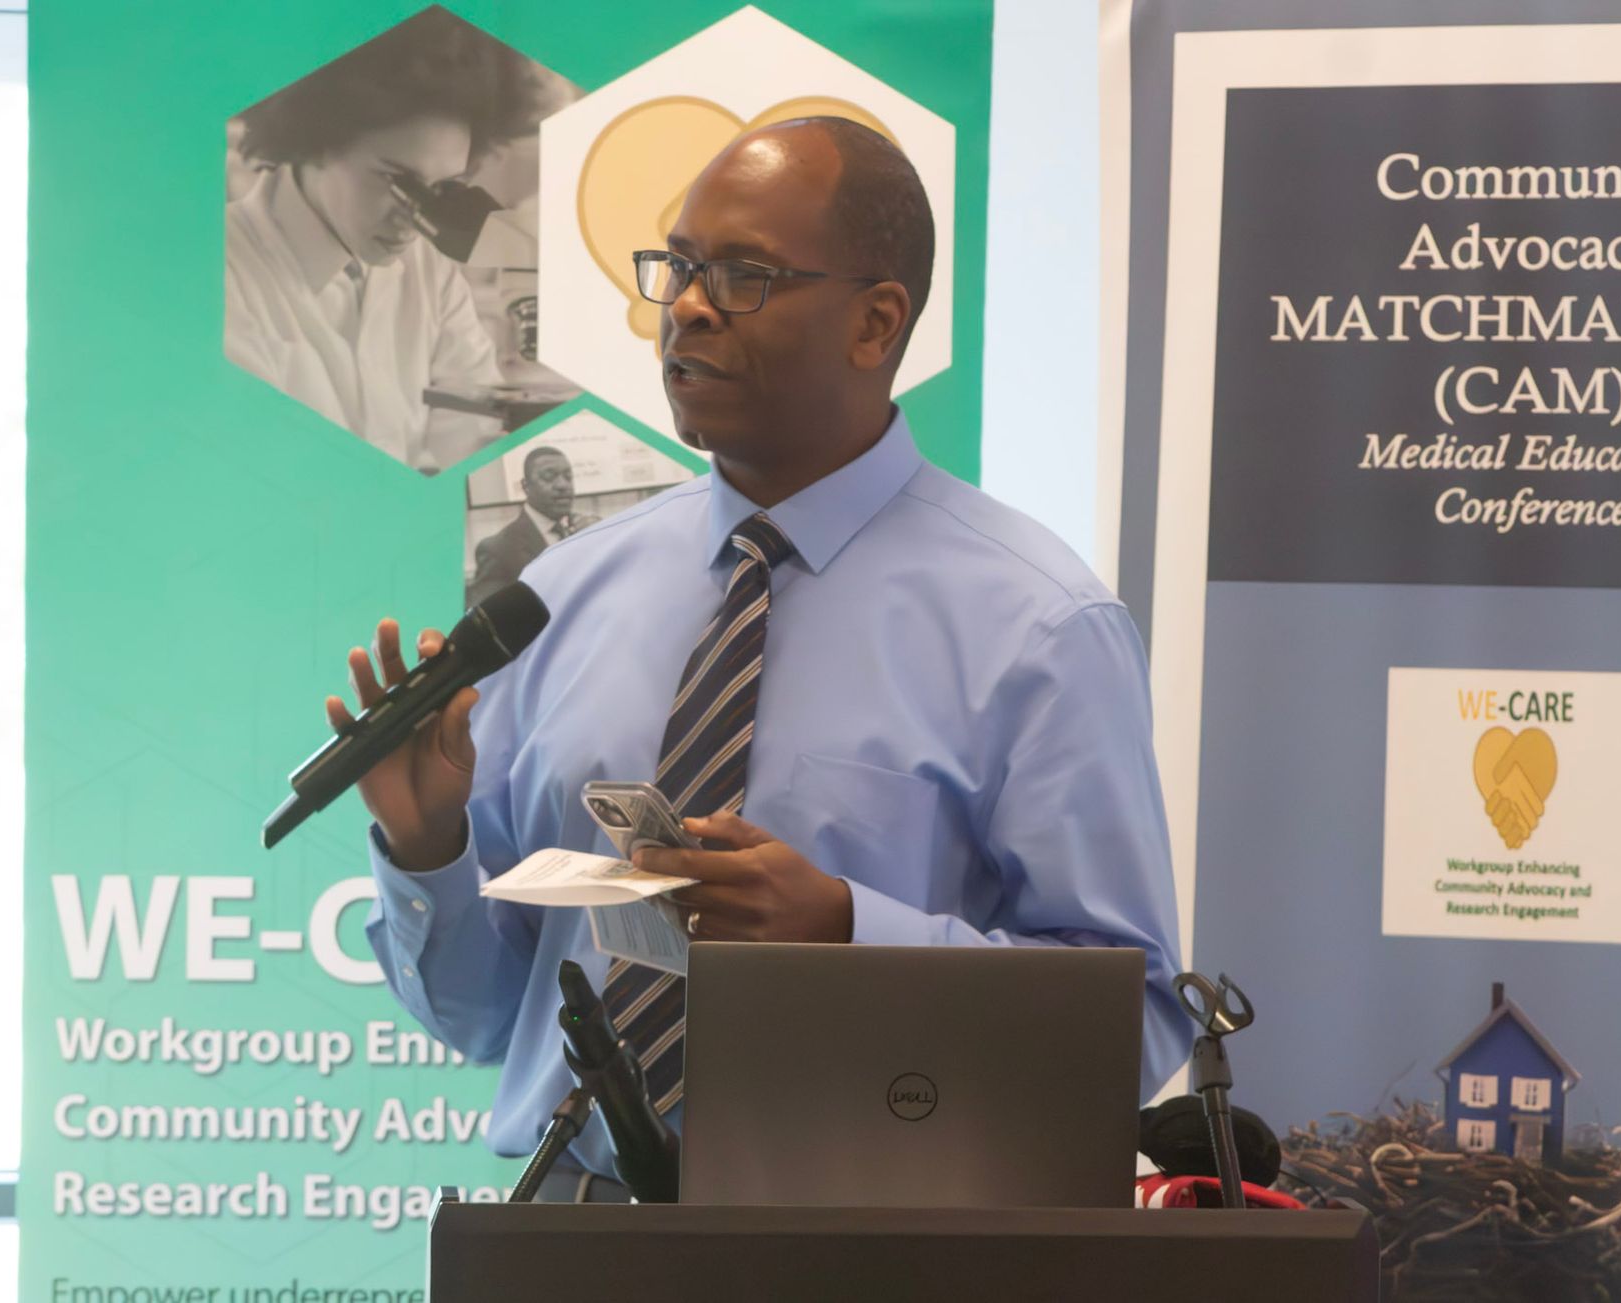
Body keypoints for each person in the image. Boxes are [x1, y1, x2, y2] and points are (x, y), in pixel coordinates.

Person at [334, 118, 1190, 1195]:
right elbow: (482, 1019)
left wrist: (844, 928)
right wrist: (427, 846)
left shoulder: (1040, 625)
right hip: (573, 1232)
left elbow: (1134, 1026)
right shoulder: (557, 598)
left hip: (872, 1248)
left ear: (876, 321)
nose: (686, 306)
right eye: (678, 268)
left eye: (741, 276)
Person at [224, 9, 551, 473]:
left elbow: (473, 434)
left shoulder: (430, 273)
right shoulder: (219, 273)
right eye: (395, 180)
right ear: (315, 141)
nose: (415, 217)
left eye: (440, 189)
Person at [466, 445, 600, 608]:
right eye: (549, 477)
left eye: (568, 476)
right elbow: (487, 622)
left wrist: (601, 540)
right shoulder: (497, 549)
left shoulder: (585, 530)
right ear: (526, 486)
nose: (562, 485)